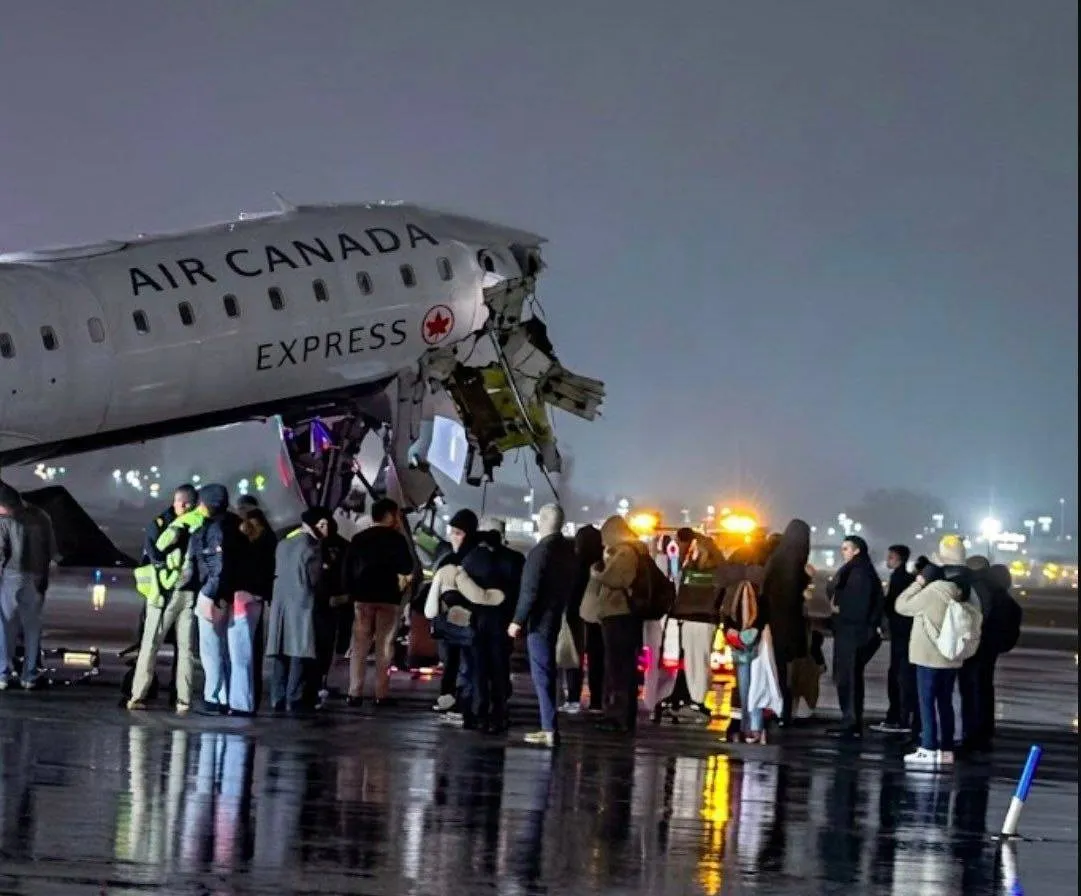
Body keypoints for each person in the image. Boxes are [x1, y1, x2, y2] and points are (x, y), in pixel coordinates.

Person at [894, 535, 973, 768]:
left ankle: (928, 747)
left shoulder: (936, 589)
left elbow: (902, 605)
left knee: (926, 702)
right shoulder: (966, 589)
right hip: (952, 655)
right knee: (945, 702)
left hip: (929, 654)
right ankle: (946, 749)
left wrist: (919, 582)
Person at [127, 485, 203, 712]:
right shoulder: (181, 525)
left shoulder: (163, 524)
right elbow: (155, 555)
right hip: (171, 595)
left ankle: (143, 695)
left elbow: (153, 555)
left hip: (172, 596)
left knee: (155, 647)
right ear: (184, 504)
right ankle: (180, 699)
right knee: (178, 649)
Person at [509, 504, 577, 747]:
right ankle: (549, 724)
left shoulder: (540, 552)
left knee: (542, 673)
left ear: (542, 521)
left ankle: (548, 728)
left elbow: (530, 591)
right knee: (550, 672)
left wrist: (517, 620)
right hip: (559, 615)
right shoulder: (568, 551)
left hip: (540, 620)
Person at [342, 497, 415, 707]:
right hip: (388, 598)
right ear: (390, 515)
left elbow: (347, 570)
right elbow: (407, 566)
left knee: (359, 646)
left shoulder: (358, 539)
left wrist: (351, 593)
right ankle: (380, 694)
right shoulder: (397, 540)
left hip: (362, 599)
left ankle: (354, 693)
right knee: (384, 646)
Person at [580, 515, 649, 734]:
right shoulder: (630, 551)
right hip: (621, 617)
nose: (603, 542)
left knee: (618, 669)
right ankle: (619, 715)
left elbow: (617, 579)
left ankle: (618, 717)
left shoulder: (626, 552)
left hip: (619, 617)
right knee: (621, 668)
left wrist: (597, 574)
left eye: (605, 536)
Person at [266, 507, 329, 712]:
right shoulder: (313, 547)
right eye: (324, 525)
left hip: (281, 604)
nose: (327, 529)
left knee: (280, 653)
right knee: (298, 652)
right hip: (303, 605)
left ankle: (277, 697)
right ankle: (294, 697)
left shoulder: (283, 544)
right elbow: (315, 580)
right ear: (317, 524)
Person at [189, 483, 244, 714]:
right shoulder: (233, 525)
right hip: (226, 594)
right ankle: (224, 696)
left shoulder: (215, 529)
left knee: (211, 650)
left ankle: (214, 698)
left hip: (214, 595)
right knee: (223, 650)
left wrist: (208, 593)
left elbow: (217, 565)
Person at [0, 483, 58, 690]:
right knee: (32, 629)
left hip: (11, 577)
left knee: (6, 627)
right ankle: (30, 676)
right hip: (37, 577)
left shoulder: (5, 520)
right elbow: (52, 550)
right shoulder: (42, 516)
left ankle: (3, 674)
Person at [825, 535, 883, 739]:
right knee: (849, 678)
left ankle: (850, 721)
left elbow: (858, 604)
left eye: (846, 548)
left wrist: (838, 609)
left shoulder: (859, 573)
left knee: (849, 678)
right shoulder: (857, 570)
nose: (843, 552)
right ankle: (850, 719)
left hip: (853, 633)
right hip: (852, 633)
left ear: (857, 550)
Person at [670, 527, 726, 723]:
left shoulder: (690, 570)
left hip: (690, 620)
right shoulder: (719, 572)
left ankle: (697, 702)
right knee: (700, 662)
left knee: (694, 662)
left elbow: (680, 590)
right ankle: (697, 700)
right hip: (705, 621)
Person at [760, 519, 812, 726]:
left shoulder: (777, 558)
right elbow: (793, 594)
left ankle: (779, 707)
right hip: (789, 623)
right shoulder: (795, 561)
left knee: (777, 666)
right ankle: (785, 710)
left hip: (774, 620)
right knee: (787, 668)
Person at [229, 508, 277, 715]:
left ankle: (241, 703)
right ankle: (247, 700)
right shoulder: (269, 542)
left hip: (240, 599)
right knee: (248, 650)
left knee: (239, 652)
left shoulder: (240, 543)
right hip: (255, 599)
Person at [872, 544, 918, 735]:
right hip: (905, 633)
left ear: (899, 559)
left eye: (890, 557)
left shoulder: (900, 579)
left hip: (901, 633)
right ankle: (902, 716)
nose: (888, 560)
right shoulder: (906, 578)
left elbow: (893, 606)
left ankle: (899, 717)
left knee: (899, 675)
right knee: (902, 674)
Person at [562, 524, 604, 713]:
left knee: (574, 657)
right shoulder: (602, 562)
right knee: (597, 658)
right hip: (598, 615)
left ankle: (573, 697)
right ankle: (596, 700)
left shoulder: (573, 562)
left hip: (575, 613)